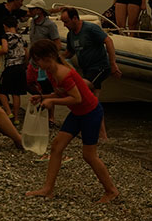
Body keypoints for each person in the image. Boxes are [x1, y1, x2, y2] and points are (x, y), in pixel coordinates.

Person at [24, 39, 118, 203]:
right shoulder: (50, 72)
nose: (35, 64)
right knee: (56, 146)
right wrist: (42, 97)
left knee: (89, 155)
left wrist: (52, 102)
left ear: (47, 57)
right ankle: (47, 189)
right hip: (78, 113)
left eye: (36, 60)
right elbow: (62, 93)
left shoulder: (63, 73)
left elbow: (76, 98)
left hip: (91, 113)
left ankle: (111, 191)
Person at [60, 7, 121, 140]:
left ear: (74, 18)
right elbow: (69, 53)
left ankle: (79, 126)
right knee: (94, 102)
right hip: (87, 70)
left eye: (66, 22)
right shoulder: (71, 35)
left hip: (100, 68)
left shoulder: (90, 29)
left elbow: (108, 41)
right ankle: (102, 135)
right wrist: (55, 59)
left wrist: (113, 63)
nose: (64, 25)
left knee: (80, 89)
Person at [0, 15, 26, 121]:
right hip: (20, 67)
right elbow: (26, 52)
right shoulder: (21, 37)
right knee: (16, 93)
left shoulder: (5, 36)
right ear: (16, 25)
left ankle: (9, 112)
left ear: (5, 26)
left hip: (10, 66)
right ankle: (16, 118)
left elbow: (4, 49)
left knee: (1, 89)